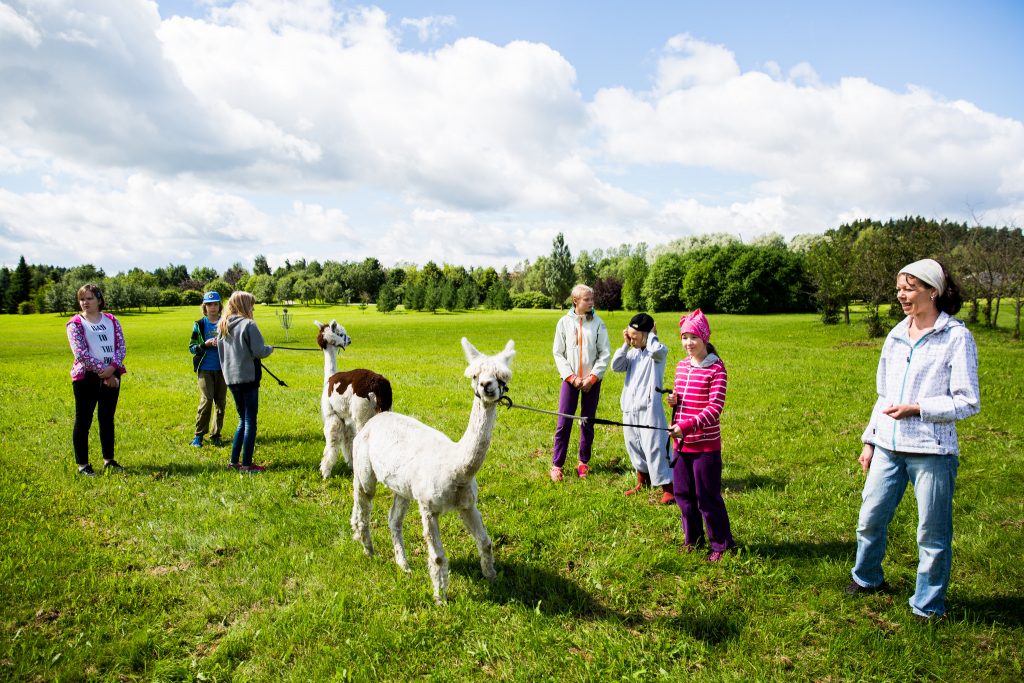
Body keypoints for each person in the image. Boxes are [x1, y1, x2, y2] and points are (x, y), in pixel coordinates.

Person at [846, 259, 979, 622]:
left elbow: (967, 401)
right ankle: (867, 577)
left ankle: (927, 604)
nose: (902, 295)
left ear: (932, 291)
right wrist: (869, 441)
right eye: (899, 289)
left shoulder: (956, 337)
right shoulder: (896, 335)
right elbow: (883, 394)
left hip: (932, 451)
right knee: (870, 518)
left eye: (909, 288)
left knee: (931, 534)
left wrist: (918, 408)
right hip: (888, 446)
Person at [667, 309, 737, 561]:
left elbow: (714, 409)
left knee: (707, 498)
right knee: (683, 496)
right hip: (681, 444)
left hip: (705, 446)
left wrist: (685, 427)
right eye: (684, 337)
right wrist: (674, 401)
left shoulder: (716, 368)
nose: (688, 343)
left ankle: (722, 545)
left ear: (704, 338)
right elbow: (682, 402)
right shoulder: (681, 366)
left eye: (693, 337)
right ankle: (693, 540)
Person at [611, 313, 674, 504]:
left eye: (636, 338)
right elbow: (616, 366)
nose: (632, 341)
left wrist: (653, 336)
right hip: (630, 408)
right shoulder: (632, 353)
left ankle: (668, 487)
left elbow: (658, 352)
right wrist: (625, 344)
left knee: (655, 445)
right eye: (630, 337)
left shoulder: (657, 352)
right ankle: (642, 480)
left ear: (647, 335)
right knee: (634, 444)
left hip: (649, 409)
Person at [550, 284, 611, 481]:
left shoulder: (598, 323)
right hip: (570, 381)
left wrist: (592, 378)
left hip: (592, 382)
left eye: (592, 299)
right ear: (575, 301)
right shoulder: (564, 323)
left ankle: (583, 462)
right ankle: (557, 465)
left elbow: (604, 353)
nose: (591, 302)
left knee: (587, 422)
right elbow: (558, 353)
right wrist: (571, 377)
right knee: (563, 422)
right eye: (587, 299)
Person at [66, 284, 127, 476]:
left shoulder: (111, 320)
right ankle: (83, 465)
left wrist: (112, 369)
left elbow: (121, 347)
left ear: (99, 300)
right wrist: (105, 372)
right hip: (87, 378)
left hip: (111, 374)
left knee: (107, 419)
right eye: (82, 299)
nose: (85, 303)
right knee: (83, 420)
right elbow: (81, 353)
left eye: (90, 298)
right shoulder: (75, 323)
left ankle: (109, 460)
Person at [217, 291, 274, 473]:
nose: (254, 308)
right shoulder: (249, 325)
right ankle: (247, 465)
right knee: (250, 421)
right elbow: (259, 351)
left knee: (242, 420)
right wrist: (269, 349)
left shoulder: (223, 325)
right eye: (252, 304)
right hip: (248, 379)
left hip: (231, 380)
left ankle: (234, 461)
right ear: (245, 305)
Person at [189, 292, 227, 448]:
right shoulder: (199, 324)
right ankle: (198, 435)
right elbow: (192, 348)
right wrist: (206, 344)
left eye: (216, 304)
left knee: (221, 402)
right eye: (209, 304)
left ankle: (215, 434)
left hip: (223, 369)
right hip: (205, 369)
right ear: (204, 307)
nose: (213, 307)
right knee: (207, 399)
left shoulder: (225, 323)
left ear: (220, 306)